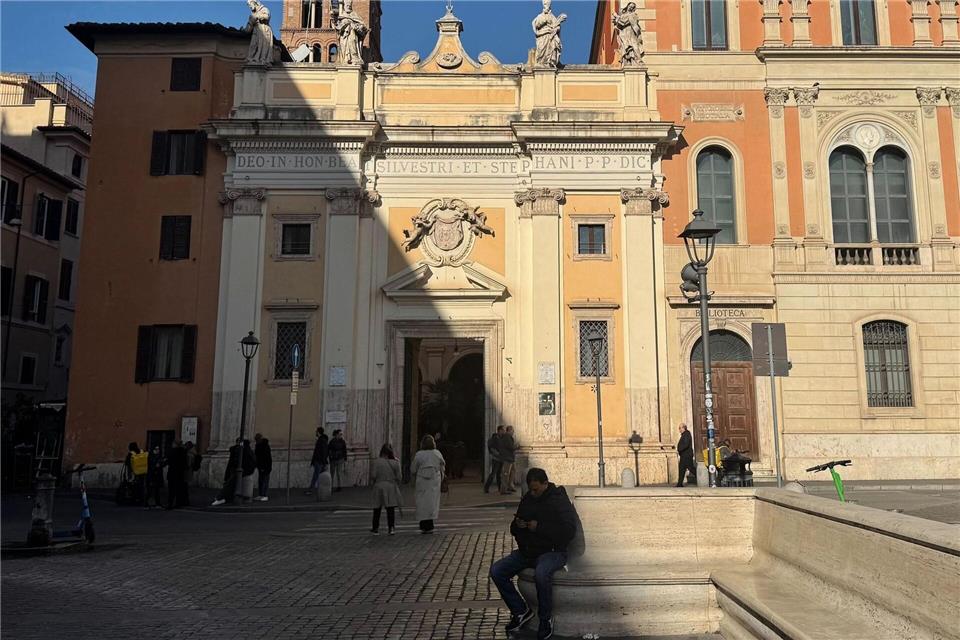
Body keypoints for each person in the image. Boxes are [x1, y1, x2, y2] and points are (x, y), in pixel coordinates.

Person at [490, 468, 576, 640]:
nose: (533, 493)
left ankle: (545, 619)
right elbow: (513, 528)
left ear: (545, 484)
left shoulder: (558, 499)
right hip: (528, 551)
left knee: (541, 574)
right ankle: (520, 611)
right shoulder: (528, 499)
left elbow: (568, 531)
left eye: (536, 489)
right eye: (531, 489)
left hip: (552, 552)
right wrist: (518, 525)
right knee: (497, 571)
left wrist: (539, 527)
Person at [411, 434, 445, 533]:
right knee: (432, 503)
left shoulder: (419, 454)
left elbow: (413, 469)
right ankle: (430, 524)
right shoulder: (437, 453)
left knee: (422, 503)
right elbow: (442, 467)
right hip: (434, 481)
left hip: (422, 480)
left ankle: (423, 524)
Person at [370, 443, 402, 535]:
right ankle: (391, 528)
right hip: (391, 486)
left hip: (379, 485)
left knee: (377, 508)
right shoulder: (396, 462)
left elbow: (373, 475)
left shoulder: (377, 462)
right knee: (390, 508)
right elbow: (399, 477)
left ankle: (375, 528)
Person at [212, 438, 243, 506]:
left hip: (233, 469)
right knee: (230, 484)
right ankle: (221, 498)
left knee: (230, 484)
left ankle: (223, 498)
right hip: (235, 469)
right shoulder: (238, 450)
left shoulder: (235, 449)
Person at [165, 441, 189, 509]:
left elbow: (168, 461)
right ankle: (178, 503)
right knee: (179, 489)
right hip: (180, 473)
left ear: (175, 444)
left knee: (171, 490)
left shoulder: (171, 452)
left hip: (172, 473)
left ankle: (170, 503)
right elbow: (185, 463)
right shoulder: (183, 452)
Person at [306, 427, 329, 495]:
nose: (315, 432)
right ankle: (320, 490)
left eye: (316, 431)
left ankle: (311, 490)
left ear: (318, 432)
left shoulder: (321, 440)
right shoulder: (322, 440)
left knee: (316, 476)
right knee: (319, 476)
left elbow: (323, 452)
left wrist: (322, 461)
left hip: (319, 462)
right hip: (320, 461)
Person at [484, 426, 505, 494]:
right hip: (496, 459)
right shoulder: (494, 438)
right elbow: (491, 448)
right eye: (502, 430)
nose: (503, 431)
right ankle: (486, 488)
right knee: (493, 473)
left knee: (499, 474)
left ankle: (499, 488)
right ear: (499, 430)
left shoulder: (502, 438)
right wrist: (496, 453)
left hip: (501, 458)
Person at [676, 423, 697, 487]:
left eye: (680, 428)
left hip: (686, 455)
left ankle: (701, 477)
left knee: (690, 468)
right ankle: (679, 484)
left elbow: (686, 444)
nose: (679, 430)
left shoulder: (686, 434)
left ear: (684, 428)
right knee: (682, 469)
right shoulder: (685, 434)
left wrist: (680, 449)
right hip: (684, 455)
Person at [237, 439, 257, 503]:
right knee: (247, 485)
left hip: (245, 470)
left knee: (244, 484)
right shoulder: (250, 451)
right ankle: (246, 497)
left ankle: (244, 497)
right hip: (249, 471)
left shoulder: (244, 451)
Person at [500, 425, 518, 495]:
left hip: (510, 458)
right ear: (509, 430)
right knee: (506, 474)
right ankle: (504, 489)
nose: (513, 432)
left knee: (512, 472)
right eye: (512, 430)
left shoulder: (508, 437)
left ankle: (510, 486)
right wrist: (516, 446)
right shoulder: (507, 437)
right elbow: (511, 447)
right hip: (508, 458)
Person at [254, 433, 272, 501]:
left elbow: (265, 458)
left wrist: (263, 467)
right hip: (261, 466)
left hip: (265, 466)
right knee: (261, 481)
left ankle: (265, 495)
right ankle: (261, 494)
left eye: (256, 439)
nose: (256, 441)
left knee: (265, 481)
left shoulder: (264, 446)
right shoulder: (258, 446)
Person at [145, 445, 164, 509]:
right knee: (150, 491)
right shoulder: (151, 456)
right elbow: (152, 466)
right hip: (152, 476)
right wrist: (157, 465)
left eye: (158, 449)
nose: (157, 450)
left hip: (156, 476)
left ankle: (157, 503)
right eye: (156, 449)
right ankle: (146, 503)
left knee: (156, 491)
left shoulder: (158, 456)